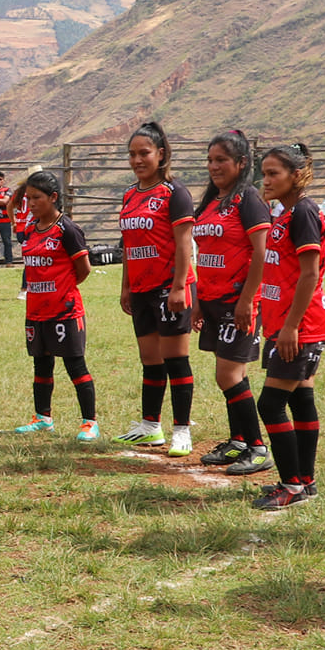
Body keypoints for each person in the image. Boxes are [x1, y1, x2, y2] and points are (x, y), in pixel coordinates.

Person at [249, 143, 325, 511]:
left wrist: (291, 327)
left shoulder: (304, 213)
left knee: (270, 403)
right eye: (263, 173)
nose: (265, 180)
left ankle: (292, 484)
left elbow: (310, 273)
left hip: (301, 325)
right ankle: (305, 480)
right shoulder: (286, 213)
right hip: (286, 323)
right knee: (300, 398)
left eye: (273, 174)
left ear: (296, 176)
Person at [191, 130, 274, 477]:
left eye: (221, 160)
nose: (214, 166)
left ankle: (257, 447)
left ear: (242, 163)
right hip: (211, 300)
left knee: (227, 375)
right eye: (210, 160)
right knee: (230, 374)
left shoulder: (249, 200)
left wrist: (246, 300)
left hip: (237, 302)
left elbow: (262, 252)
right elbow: (206, 253)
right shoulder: (212, 201)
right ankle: (239, 440)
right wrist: (198, 300)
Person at [115, 122, 197, 455]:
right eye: (132, 154)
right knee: (150, 360)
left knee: (176, 359)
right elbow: (128, 245)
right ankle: (150, 426)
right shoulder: (130, 195)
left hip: (169, 288)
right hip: (141, 289)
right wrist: (126, 286)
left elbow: (183, 244)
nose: (137, 160)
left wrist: (179, 286)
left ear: (161, 154)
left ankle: (181, 429)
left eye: (144, 153)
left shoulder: (175, 193)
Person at [11, 171, 98, 441]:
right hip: (36, 311)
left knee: (75, 366)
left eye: (37, 198)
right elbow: (12, 208)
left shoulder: (67, 229)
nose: (32, 203)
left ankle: (89, 423)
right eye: (28, 198)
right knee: (42, 365)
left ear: (54, 198)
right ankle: (43, 418)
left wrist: (62, 290)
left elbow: (83, 270)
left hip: (65, 311)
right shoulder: (29, 229)